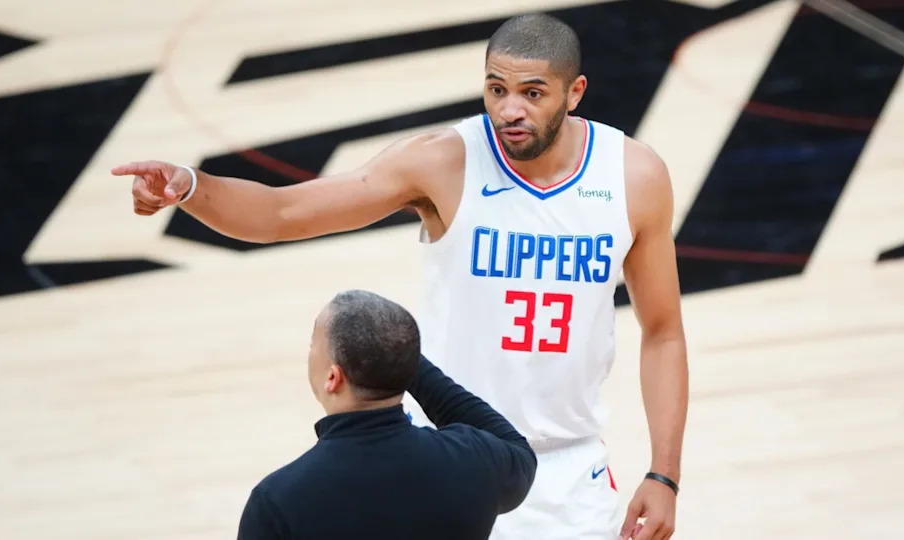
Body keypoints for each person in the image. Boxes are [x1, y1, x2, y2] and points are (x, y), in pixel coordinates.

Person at [114, 13, 688, 540]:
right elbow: (283, 212)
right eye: (497, 89)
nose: (510, 109)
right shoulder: (442, 161)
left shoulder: (632, 176)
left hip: (569, 470)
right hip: (452, 461)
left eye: (532, 93)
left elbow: (662, 330)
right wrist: (189, 186)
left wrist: (664, 475)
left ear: (574, 92)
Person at [236, 289, 537, 540]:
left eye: (313, 344)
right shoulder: (475, 461)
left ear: (333, 378)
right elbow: (517, 448)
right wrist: (398, 356)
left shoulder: (278, 502)